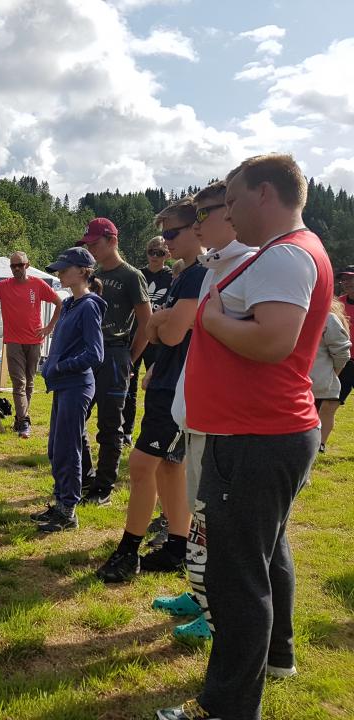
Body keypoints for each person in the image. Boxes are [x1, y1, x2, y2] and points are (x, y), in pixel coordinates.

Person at [158, 154, 333, 720]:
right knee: (263, 557)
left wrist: (207, 318)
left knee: (235, 581)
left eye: (231, 201)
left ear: (264, 193)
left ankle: (226, 708)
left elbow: (271, 341)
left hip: (256, 435)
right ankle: (275, 656)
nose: (227, 212)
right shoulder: (288, 253)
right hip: (265, 431)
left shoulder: (284, 255)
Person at [152, 179, 256, 642]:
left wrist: (165, 326)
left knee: (212, 520)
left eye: (201, 217)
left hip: (224, 419)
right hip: (194, 408)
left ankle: (215, 612)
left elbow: (173, 332)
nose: (185, 232)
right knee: (198, 517)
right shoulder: (211, 268)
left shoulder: (248, 264)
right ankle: (200, 596)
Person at [96, 199, 205, 583]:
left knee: (142, 465)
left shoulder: (198, 275)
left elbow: (170, 331)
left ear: (198, 228)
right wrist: (160, 338)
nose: (166, 242)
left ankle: (128, 552)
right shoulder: (184, 275)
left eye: (172, 234)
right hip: (167, 380)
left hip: (179, 389)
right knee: (171, 467)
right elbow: (165, 330)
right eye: (161, 237)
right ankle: (178, 545)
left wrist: (161, 324)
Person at [75, 218, 151, 505]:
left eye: (95, 243)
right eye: (88, 244)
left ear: (112, 240)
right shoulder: (91, 275)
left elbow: (147, 323)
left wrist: (130, 359)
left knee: (110, 424)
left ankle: (103, 487)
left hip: (115, 352)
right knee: (75, 417)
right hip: (87, 354)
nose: (91, 248)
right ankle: (85, 476)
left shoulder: (131, 276)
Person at [31, 247, 106, 532]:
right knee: (56, 448)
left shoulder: (88, 306)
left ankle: (68, 512)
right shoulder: (70, 304)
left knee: (68, 447)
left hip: (77, 385)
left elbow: (95, 354)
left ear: (83, 272)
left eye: (64, 268)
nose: (59, 273)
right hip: (64, 385)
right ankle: (61, 503)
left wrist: (60, 366)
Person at [0, 251, 62, 438]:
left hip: (35, 341)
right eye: (13, 266)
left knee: (29, 382)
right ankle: (24, 422)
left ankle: (21, 418)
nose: (16, 268)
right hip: (13, 342)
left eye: (20, 265)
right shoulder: (4, 286)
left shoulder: (38, 284)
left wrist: (49, 327)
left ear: (27, 265)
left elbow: (59, 302)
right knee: (19, 383)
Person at [122, 236, 173, 446]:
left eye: (159, 253)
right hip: (137, 335)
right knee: (129, 384)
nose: (154, 256)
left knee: (155, 385)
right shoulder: (138, 275)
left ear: (167, 255)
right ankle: (126, 432)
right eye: (151, 252)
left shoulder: (172, 277)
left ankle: (151, 432)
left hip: (159, 339)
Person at [310, 298, 351, 452]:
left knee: (325, 411)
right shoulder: (290, 315)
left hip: (318, 382)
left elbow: (342, 353)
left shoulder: (328, 319)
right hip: (296, 382)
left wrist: (333, 373)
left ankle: (319, 444)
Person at [334, 266, 354, 403]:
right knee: (331, 403)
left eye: (351, 278)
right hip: (345, 361)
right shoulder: (338, 304)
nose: (347, 282)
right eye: (344, 280)